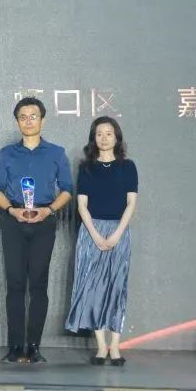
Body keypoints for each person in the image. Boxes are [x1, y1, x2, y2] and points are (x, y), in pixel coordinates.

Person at [0, 97, 73, 364]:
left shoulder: (56, 153)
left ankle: (34, 346)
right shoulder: (7, 153)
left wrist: (48, 210)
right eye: (23, 117)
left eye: (33, 116)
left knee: (38, 284)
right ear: (17, 122)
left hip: (44, 220)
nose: (28, 121)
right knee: (15, 283)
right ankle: (15, 346)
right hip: (13, 220)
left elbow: (67, 189)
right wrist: (10, 210)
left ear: (43, 120)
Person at [65, 116, 138, 366]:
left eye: (109, 133)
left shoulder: (128, 167)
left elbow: (131, 203)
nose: (104, 138)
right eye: (99, 134)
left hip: (119, 231)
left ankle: (115, 346)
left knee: (117, 287)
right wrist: (95, 235)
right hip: (90, 232)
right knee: (93, 289)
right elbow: (82, 205)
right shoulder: (87, 167)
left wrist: (117, 234)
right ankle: (101, 346)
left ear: (117, 137)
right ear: (93, 138)